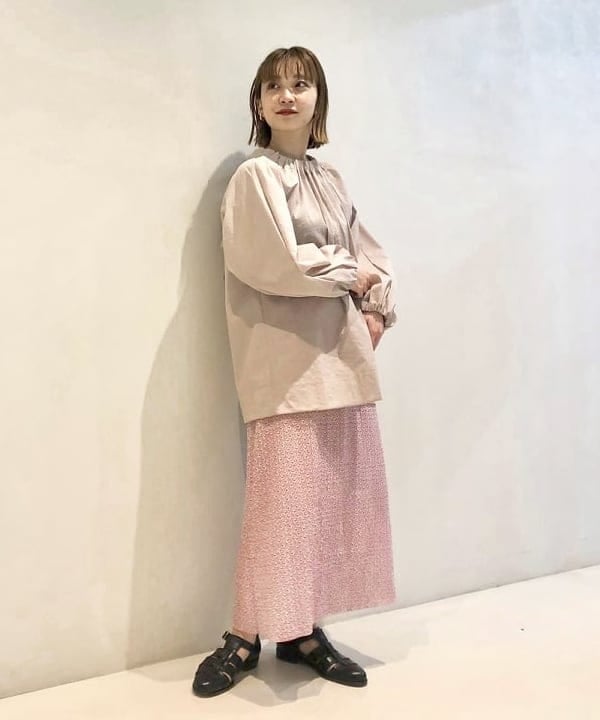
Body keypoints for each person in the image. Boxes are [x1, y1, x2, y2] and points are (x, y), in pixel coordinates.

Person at [192, 46, 397, 698]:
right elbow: (274, 262)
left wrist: (376, 305)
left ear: (318, 100)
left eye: (301, 84)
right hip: (282, 365)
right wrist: (350, 277)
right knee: (277, 507)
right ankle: (243, 635)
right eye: (274, 86)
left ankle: (302, 631)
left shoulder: (329, 178)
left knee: (326, 504)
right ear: (258, 102)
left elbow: (369, 254)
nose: (287, 95)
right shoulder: (254, 177)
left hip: (341, 362)